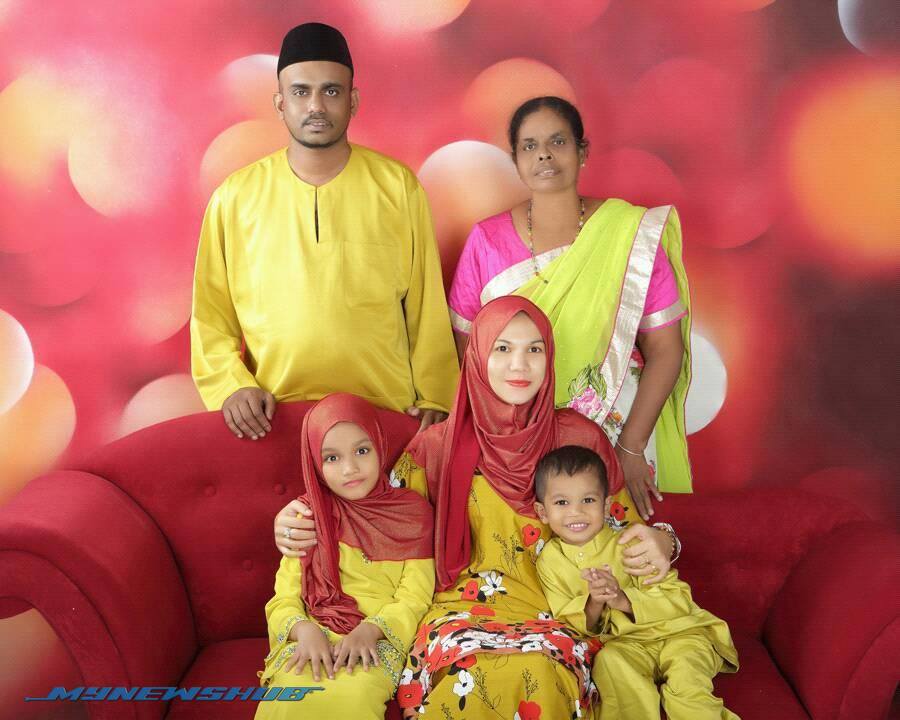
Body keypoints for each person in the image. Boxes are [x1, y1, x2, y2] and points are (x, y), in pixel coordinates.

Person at [390, 296, 677, 719]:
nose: (519, 365)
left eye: (534, 349)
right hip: (459, 613)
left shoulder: (580, 439)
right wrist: (303, 520)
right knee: (470, 666)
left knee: (540, 667)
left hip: (566, 612)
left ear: (549, 356)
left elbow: (625, 534)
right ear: (477, 356)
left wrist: (665, 540)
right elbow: (379, 525)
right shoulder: (435, 448)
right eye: (502, 348)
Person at [191, 22, 458, 441]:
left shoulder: (397, 186)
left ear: (353, 101)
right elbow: (211, 317)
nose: (316, 105)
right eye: (301, 92)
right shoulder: (235, 197)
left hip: (385, 415)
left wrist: (436, 396)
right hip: (274, 419)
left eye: (331, 91)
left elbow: (426, 305)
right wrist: (231, 386)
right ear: (280, 103)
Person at [448, 96, 692, 520]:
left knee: (613, 552)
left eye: (557, 141)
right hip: (514, 439)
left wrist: (631, 447)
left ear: (582, 151)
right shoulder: (486, 241)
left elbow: (666, 350)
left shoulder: (627, 235)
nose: (543, 154)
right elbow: (466, 355)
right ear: (515, 160)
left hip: (615, 426)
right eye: (529, 145)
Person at [255, 393, 435, 720]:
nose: (350, 469)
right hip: (312, 634)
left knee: (354, 697)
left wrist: (371, 630)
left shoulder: (412, 515)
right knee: (289, 699)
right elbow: (284, 597)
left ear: (380, 446)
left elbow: (415, 598)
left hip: (376, 639)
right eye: (332, 458)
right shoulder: (308, 516)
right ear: (315, 462)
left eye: (362, 451)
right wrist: (303, 631)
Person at [534, 445, 738, 720]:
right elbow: (571, 620)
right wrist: (595, 600)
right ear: (542, 511)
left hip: (680, 634)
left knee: (686, 686)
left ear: (606, 505)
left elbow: (677, 600)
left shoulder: (632, 541)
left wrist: (620, 599)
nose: (576, 512)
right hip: (627, 645)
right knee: (611, 665)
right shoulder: (550, 561)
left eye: (588, 500)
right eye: (561, 503)